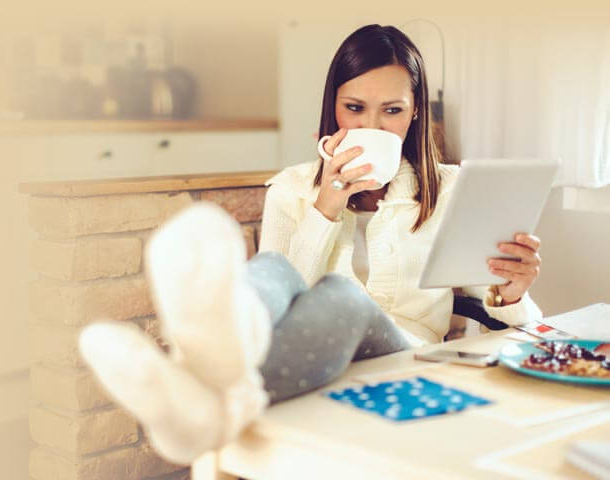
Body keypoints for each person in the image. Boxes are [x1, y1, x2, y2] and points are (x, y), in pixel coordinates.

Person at [78, 24, 544, 465]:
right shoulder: (291, 189)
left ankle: (200, 401)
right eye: (355, 108)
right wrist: (324, 209)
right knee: (273, 270)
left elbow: (511, 322)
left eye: (393, 110)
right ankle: (204, 387)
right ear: (333, 108)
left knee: (342, 297)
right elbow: (284, 293)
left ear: (416, 109)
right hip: (317, 359)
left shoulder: (449, 190)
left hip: (407, 357)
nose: (375, 127)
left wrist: (513, 292)